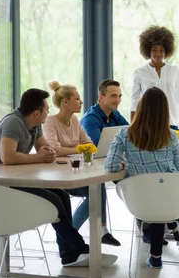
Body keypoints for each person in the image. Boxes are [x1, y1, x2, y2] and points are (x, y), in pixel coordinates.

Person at [0, 88, 117, 267]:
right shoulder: (14, 122)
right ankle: (80, 248)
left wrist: (48, 152)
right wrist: (39, 157)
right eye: (46, 110)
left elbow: (45, 148)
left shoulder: (34, 125)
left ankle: (68, 254)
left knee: (62, 195)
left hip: (12, 179)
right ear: (36, 113)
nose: (48, 112)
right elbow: (8, 157)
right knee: (54, 200)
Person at [105, 87, 179, 269]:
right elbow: (178, 170)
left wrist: (125, 164)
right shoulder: (172, 137)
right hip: (170, 202)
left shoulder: (124, 134)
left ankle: (157, 255)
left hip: (139, 202)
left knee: (153, 194)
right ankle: (162, 246)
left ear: (140, 108)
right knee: (161, 191)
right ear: (165, 111)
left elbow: (111, 167)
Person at [43, 81, 121, 247]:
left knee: (98, 188)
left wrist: (81, 147)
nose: (81, 102)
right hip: (59, 177)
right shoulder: (50, 122)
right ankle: (72, 237)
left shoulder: (74, 119)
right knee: (97, 189)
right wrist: (79, 148)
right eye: (77, 99)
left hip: (75, 172)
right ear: (65, 102)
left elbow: (89, 142)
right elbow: (54, 149)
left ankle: (72, 236)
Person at [130, 26, 179, 132]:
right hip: (148, 123)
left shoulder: (174, 71)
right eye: (154, 50)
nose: (158, 54)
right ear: (147, 50)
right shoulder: (139, 73)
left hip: (171, 121)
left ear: (167, 51)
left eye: (162, 50)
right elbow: (134, 102)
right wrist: (133, 128)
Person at [81, 79, 129, 146]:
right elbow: (98, 146)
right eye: (113, 96)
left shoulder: (116, 114)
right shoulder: (90, 119)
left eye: (119, 96)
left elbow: (131, 134)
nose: (118, 100)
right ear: (101, 97)